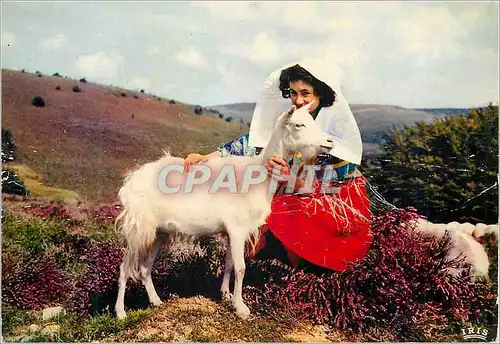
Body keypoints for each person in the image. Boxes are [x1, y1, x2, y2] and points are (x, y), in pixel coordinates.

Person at [184, 58, 373, 272]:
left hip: (339, 204)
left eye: (305, 93)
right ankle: (285, 275)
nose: (298, 100)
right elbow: (255, 143)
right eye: (293, 93)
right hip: (301, 195)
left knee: (280, 209)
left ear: (320, 94)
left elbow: (329, 189)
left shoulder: (331, 133)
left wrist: (288, 178)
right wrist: (208, 157)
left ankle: (307, 276)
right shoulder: (294, 119)